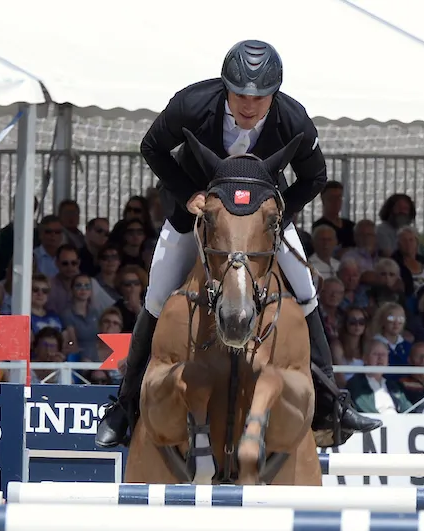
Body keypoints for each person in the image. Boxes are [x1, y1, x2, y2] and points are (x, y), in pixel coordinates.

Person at [96, 40, 380, 447]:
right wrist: (186, 193)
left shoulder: (293, 119)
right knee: (157, 293)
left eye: (260, 98)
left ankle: (331, 403)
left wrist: (277, 213)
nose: (249, 106)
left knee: (305, 288)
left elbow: (315, 178)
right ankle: (124, 406)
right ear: (225, 86)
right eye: (241, 95)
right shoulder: (192, 105)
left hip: (261, 222)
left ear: (274, 94)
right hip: (199, 216)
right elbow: (152, 147)